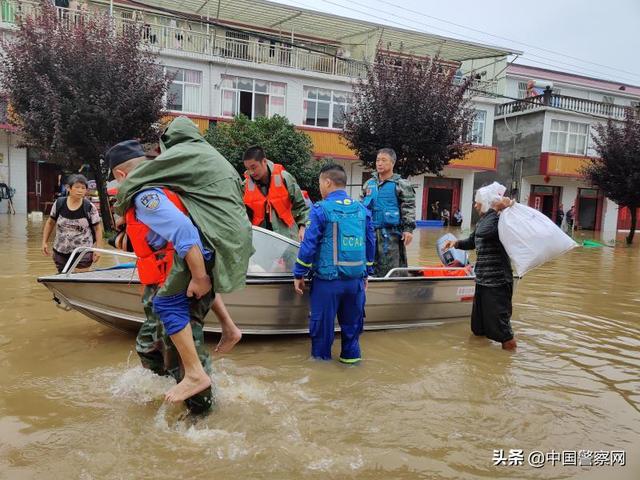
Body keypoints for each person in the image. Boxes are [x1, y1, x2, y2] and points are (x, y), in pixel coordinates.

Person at [111, 117, 253, 410]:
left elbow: (187, 239)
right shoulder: (184, 179)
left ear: (121, 175)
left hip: (178, 282)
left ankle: (201, 418)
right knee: (151, 346)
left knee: (182, 355)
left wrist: (200, 277)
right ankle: (170, 397)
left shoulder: (146, 194)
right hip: (177, 276)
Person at [293, 164, 375, 363]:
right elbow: (371, 243)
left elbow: (308, 245)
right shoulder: (361, 209)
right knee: (352, 334)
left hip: (327, 283)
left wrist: (298, 273)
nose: (319, 187)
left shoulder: (320, 210)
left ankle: (322, 380)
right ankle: (351, 371)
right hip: (355, 283)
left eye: (320, 182)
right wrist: (367, 273)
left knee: (322, 334)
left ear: (327, 182)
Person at [443, 185, 516, 351]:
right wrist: (456, 243)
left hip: (497, 282)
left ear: (488, 203)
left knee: (503, 330)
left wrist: (495, 209)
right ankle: (478, 360)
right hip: (483, 280)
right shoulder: (485, 220)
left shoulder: (498, 218)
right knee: (478, 327)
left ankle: (509, 359)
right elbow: (473, 240)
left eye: (477, 202)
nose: (475, 205)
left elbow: (483, 232)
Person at [361, 148, 416, 277]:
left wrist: (408, 229)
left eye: (383, 160)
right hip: (370, 233)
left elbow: (409, 207)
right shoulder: (369, 184)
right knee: (368, 266)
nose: (379, 163)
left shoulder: (401, 184)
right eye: (377, 160)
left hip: (391, 235)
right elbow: (362, 207)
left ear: (392, 163)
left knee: (391, 269)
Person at [242, 146, 309, 242]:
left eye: (254, 167)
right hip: (260, 240)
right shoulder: (245, 186)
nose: (251, 172)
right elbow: (243, 215)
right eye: (248, 169)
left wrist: (303, 227)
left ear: (264, 161)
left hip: (287, 237)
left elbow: (302, 207)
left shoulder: (284, 177)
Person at [41, 174, 103, 273]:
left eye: (83, 188)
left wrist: (98, 249)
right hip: (60, 250)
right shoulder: (59, 203)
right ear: (69, 188)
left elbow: (97, 229)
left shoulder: (89, 207)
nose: (80, 190)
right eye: (77, 187)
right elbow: (50, 223)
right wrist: (44, 242)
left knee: (80, 279)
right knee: (63, 278)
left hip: (83, 251)